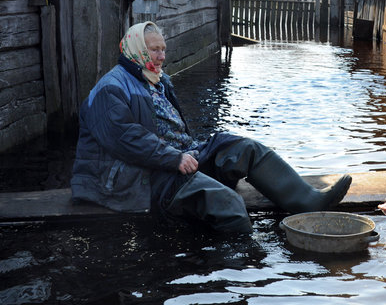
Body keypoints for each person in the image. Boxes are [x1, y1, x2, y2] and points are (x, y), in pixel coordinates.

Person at [71, 21, 352, 233]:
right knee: (230, 205)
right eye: (154, 50)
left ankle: (308, 202)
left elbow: (175, 132)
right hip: (139, 176)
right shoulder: (110, 89)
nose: (161, 56)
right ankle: (238, 270)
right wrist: (174, 158)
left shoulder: (157, 79)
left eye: (163, 49)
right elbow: (128, 140)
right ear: (136, 49)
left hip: (175, 160)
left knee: (244, 149)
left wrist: (194, 154)